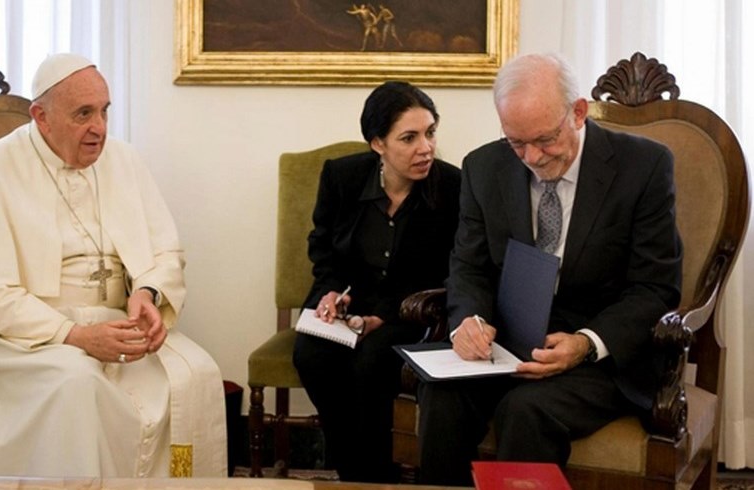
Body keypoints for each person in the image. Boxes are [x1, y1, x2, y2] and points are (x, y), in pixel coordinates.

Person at [0, 53, 227, 479]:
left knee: (196, 374)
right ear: (41, 117)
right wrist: (76, 336)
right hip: (17, 334)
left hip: (112, 318)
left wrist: (148, 293)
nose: (99, 128)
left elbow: (164, 253)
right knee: (76, 385)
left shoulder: (124, 161)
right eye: (83, 114)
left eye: (104, 112)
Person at [417, 53, 683, 485]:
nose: (532, 157)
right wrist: (468, 321)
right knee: (440, 392)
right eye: (516, 142)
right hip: (506, 344)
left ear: (578, 112)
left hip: (598, 356)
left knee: (526, 410)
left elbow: (655, 287)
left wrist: (585, 343)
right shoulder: (484, 168)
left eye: (544, 140)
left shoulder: (644, 167)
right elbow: (469, 266)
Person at [292, 81, 461, 483]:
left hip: (413, 310)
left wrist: (382, 317)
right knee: (311, 354)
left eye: (431, 132)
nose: (426, 148)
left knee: (372, 363)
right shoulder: (342, 176)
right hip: (351, 305)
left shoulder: (452, 187)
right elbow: (323, 247)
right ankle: (357, 471)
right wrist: (332, 292)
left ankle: (372, 474)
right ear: (378, 144)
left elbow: (449, 271)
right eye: (410, 137)